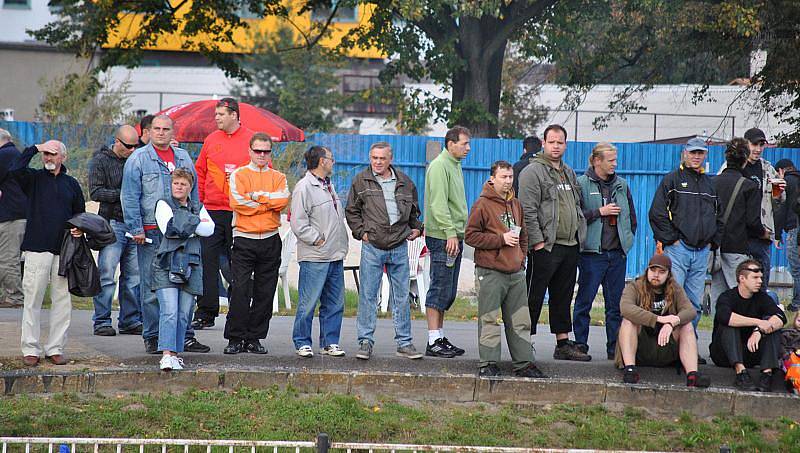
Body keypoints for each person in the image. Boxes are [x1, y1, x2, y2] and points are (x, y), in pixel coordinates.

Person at [121, 114, 210, 355]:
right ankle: (153, 335)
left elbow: (195, 195)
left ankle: (184, 336)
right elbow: (129, 196)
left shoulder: (182, 157)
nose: (161, 132)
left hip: (182, 234)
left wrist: (195, 221)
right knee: (151, 288)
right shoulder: (138, 159)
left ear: (173, 132)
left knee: (185, 284)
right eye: (157, 129)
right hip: (151, 234)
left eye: (166, 129)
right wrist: (136, 228)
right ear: (149, 132)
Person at [465, 160, 545, 378]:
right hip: (490, 271)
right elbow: (470, 236)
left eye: (510, 177)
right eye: (503, 177)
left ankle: (524, 363)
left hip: (515, 272)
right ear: (493, 178)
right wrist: (500, 239)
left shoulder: (516, 204)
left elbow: (524, 235)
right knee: (489, 319)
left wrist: (521, 259)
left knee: (520, 320)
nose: (508, 181)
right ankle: (488, 363)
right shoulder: (482, 204)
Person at [345, 142, 424, 360]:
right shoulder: (361, 180)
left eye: (382, 158)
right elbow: (351, 211)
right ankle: (365, 342)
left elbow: (414, 212)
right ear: (370, 158)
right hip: (372, 246)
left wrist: (417, 229)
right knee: (368, 296)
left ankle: (404, 343)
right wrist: (362, 233)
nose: (377, 162)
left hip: (399, 244)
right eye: (374, 158)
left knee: (401, 297)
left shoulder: (405, 182)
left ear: (390, 159)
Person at [9, 140, 85, 366]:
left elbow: (80, 213)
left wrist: (79, 228)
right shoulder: (33, 179)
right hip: (36, 247)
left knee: (62, 300)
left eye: (53, 154)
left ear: (63, 157)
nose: (49, 158)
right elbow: (14, 170)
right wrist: (35, 148)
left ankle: (55, 348)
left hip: (64, 249)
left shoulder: (71, 184)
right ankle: (30, 348)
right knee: (33, 299)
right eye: (46, 155)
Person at [518, 124, 590, 361]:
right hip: (545, 246)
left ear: (565, 145)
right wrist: (537, 243)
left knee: (562, 296)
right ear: (544, 143)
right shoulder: (532, 172)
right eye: (552, 142)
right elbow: (527, 210)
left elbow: (576, 205)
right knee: (534, 296)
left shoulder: (568, 172)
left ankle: (562, 344)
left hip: (569, 245)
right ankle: (524, 343)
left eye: (560, 142)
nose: (556, 146)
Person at [223, 133, 289, 354]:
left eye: (266, 151)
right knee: (240, 290)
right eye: (258, 151)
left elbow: (283, 201)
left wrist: (257, 198)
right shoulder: (239, 175)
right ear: (250, 151)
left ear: (271, 153)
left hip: (270, 238)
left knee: (265, 292)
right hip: (244, 238)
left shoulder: (278, 176)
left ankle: (254, 338)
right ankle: (235, 338)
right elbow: (237, 202)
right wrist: (267, 202)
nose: (262, 155)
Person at [193, 98, 255, 329]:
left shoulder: (251, 139)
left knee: (237, 263)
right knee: (206, 261)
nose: (216, 117)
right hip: (211, 211)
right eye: (216, 114)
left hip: (239, 212)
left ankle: (239, 310)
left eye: (221, 114)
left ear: (234, 115)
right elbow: (199, 172)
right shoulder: (211, 139)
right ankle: (206, 311)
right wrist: (198, 203)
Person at [649, 137, 719, 333]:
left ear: (705, 155)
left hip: (702, 251)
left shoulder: (710, 183)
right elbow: (657, 212)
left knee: (694, 304)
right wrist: (673, 240)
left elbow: (718, 214)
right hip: (679, 251)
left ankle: (689, 345)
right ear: (684, 153)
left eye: (700, 153)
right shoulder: (672, 179)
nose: (696, 156)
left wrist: (712, 242)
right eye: (693, 152)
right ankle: (668, 346)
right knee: (672, 300)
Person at [574, 142, 637, 360]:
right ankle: (580, 344)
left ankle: (615, 349)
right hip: (592, 254)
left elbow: (631, 218)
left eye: (615, 160)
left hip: (616, 255)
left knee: (615, 306)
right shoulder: (581, 183)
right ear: (597, 161)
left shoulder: (622, 185)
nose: (615, 164)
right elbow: (576, 216)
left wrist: (626, 242)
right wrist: (599, 212)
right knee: (584, 302)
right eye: (611, 160)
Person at [290, 146, 349, 358]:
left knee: (334, 303)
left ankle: (330, 341)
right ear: (322, 161)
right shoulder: (304, 187)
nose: (333, 162)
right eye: (331, 159)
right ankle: (302, 341)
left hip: (335, 253)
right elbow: (298, 222)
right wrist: (317, 239)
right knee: (308, 302)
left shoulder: (328, 185)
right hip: (316, 255)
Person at [616, 254, 711, 388]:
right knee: (628, 321)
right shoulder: (635, 286)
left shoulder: (675, 289)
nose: (656, 275)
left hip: (666, 346)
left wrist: (672, 323)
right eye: (653, 270)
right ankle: (630, 370)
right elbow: (625, 308)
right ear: (647, 270)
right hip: (641, 346)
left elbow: (690, 311)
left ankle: (692, 375)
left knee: (687, 325)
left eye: (662, 272)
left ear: (668, 274)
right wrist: (658, 319)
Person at [153, 169, 214, 371]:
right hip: (167, 262)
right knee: (169, 310)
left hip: (192, 264)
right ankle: (166, 354)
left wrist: (187, 224)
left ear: (190, 187)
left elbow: (209, 229)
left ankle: (176, 354)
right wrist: (195, 223)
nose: (179, 187)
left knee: (183, 314)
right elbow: (169, 229)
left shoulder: (198, 206)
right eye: (176, 183)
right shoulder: (163, 204)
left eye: (183, 184)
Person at [88, 125, 142, 336]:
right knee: (107, 274)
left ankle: (129, 320)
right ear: (117, 142)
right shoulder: (100, 160)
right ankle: (101, 320)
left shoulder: (137, 159)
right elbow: (95, 191)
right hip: (113, 223)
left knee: (133, 276)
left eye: (135, 146)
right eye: (128, 146)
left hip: (135, 224)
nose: (132, 150)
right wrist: (124, 195)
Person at [423, 126, 470, 358]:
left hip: (453, 236)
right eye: (464, 143)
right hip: (443, 237)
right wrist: (451, 233)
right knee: (439, 288)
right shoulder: (440, 166)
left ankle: (439, 337)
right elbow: (438, 205)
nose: (468, 148)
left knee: (448, 292)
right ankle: (433, 340)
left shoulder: (455, 165)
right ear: (451, 144)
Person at [718, 128, 785, 289]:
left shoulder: (768, 169)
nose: (758, 149)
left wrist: (779, 195)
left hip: (761, 234)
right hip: (736, 236)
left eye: (761, 145)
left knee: (760, 280)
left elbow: (778, 203)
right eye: (754, 144)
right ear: (745, 144)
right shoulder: (731, 167)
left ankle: (759, 313)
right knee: (736, 285)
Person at [710, 259, 786, 391]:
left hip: (751, 352)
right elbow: (725, 317)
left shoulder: (762, 298)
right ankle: (741, 373)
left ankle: (766, 374)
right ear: (742, 278)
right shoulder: (727, 297)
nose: (760, 281)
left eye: (761, 278)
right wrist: (757, 322)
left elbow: (781, 317)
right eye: (755, 277)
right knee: (729, 325)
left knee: (772, 327)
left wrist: (759, 330)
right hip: (724, 354)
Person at [710, 138, 766, 308]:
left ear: (727, 158)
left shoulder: (712, 183)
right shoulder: (749, 186)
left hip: (715, 247)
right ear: (745, 160)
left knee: (718, 297)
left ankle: (718, 333)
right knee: (740, 295)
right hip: (737, 246)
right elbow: (752, 221)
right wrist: (764, 233)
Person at [0, 128, 27, 308]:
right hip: (17, 213)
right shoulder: (14, 154)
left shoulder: (4, 155)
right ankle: (10, 295)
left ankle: (14, 297)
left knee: (8, 258)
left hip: (10, 216)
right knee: (9, 257)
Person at [774, 158, 800, 311]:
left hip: (794, 229)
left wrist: (777, 235)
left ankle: (796, 304)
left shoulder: (783, 182)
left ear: (781, 171)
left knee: (796, 268)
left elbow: (779, 208)